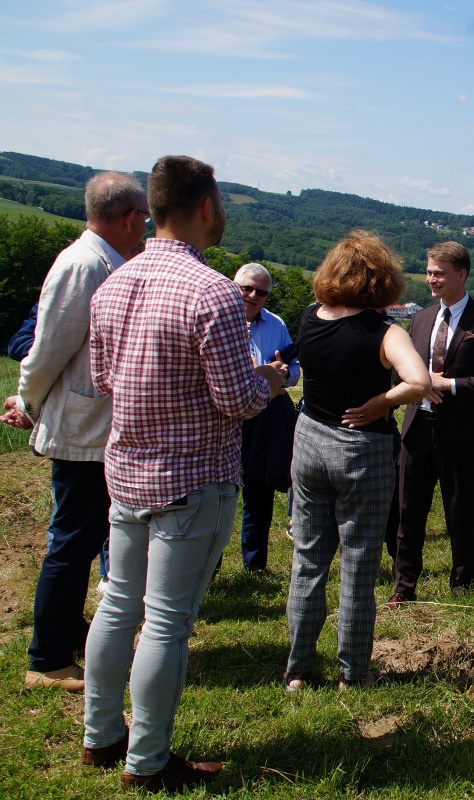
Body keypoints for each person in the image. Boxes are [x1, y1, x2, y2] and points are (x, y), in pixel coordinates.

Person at [84, 155, 286, 791]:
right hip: (193, 478)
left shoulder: (114, 282)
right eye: (220, 203)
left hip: (126, 470)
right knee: (167, 621)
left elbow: (101, 380)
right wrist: (271, 383)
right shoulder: (214, 293)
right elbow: (235, 400)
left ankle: (100, 735)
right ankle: (147, 762)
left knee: (117, 605)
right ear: (206, 208)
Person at [1, 173, 147, 695]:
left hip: (95, 429)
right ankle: (47, 658)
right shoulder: (83, 264)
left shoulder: (104, 260)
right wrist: (27, 399)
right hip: (81, 430)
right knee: (70, 543)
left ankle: (66, 634)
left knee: (83, 541)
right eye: (143, 217)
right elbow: (47, 347)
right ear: (129, 217)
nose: (145, 226)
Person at [285, 231, 430, 691]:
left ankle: (298, 669)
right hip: (361, 450)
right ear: (383, 280)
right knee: (359, 564)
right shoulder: (386, 332)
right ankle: (353, 670)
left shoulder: (310, 317)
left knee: (308, 561)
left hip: (308, 440)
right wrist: (382, 402)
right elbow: (419, 381)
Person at [388, 240, 474, 603]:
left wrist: (447, 384)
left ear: (461, 274)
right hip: (417, 430)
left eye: (439, 273)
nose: (431, 280)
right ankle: (404, 586)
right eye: (428, 272)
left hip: (461, 435)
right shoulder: (421, 318)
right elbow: (401, 372)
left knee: (459, 511)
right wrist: (413, 387)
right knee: (408, 511)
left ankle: (462, 586)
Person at [235, 262, 301, 571]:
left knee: (258, 492)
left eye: (260, 292)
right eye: (246, 288)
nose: (252, 296)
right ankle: (210, 565)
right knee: (217, 494)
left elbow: (296, 368)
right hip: (224, 417)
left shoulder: (276, 325)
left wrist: (286, 373)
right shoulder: (217, 317)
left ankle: (255, 564)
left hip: (263, 415)